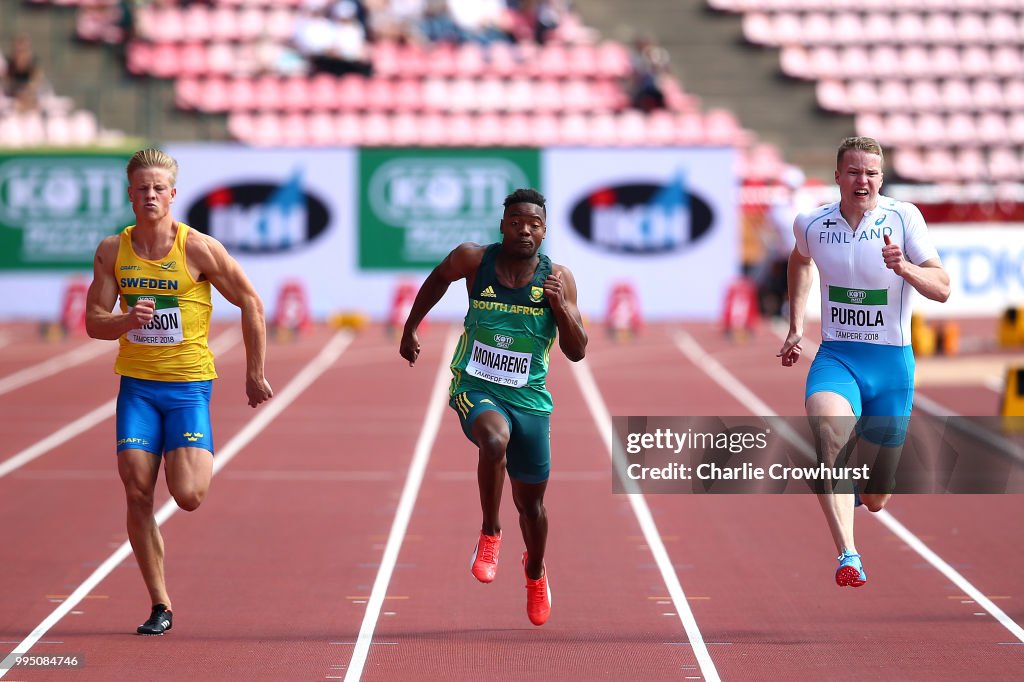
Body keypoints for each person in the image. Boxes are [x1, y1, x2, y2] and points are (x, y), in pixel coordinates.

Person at [85, 149, 273, 634]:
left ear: (172, 194)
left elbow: (250, 300)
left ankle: (187, 452)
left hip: (188, 388)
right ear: (129, 194)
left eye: (158, 188)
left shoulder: (197, 248)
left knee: (187, 495)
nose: (149, 195)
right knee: (136, 490)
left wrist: (255, 372)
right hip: (138, 389)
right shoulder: (112, 250)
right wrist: (126, 320)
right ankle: (160, 604)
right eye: (141, 188)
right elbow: (94, 322)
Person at [399, 188, 587, 626]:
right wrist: (411, 326)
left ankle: (536, 571)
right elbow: (437, 278)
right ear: (503, 225)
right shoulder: (473, 259)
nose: (525, 230)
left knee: (534, 508)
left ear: (544, 232)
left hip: (531, 400)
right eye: (517, 222)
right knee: (492, 439)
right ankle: (490, 531)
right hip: (477, 385)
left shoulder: (558, 278)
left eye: (534, 224)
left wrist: (559, 306)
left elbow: (577, 352)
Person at [778, 136, 949, 588]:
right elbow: (800, 262)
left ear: (881, 177)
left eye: (872, 173)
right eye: (854, 171)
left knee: (875, 497)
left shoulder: (903, 217)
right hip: (838, 357)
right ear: (837, 176)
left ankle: (857, 492)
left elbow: (943, 286)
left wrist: (904, 268)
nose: (863, 180)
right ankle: (848, 556)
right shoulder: (812, 223)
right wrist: (797, 324)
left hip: (892, 368)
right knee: (828, 436)